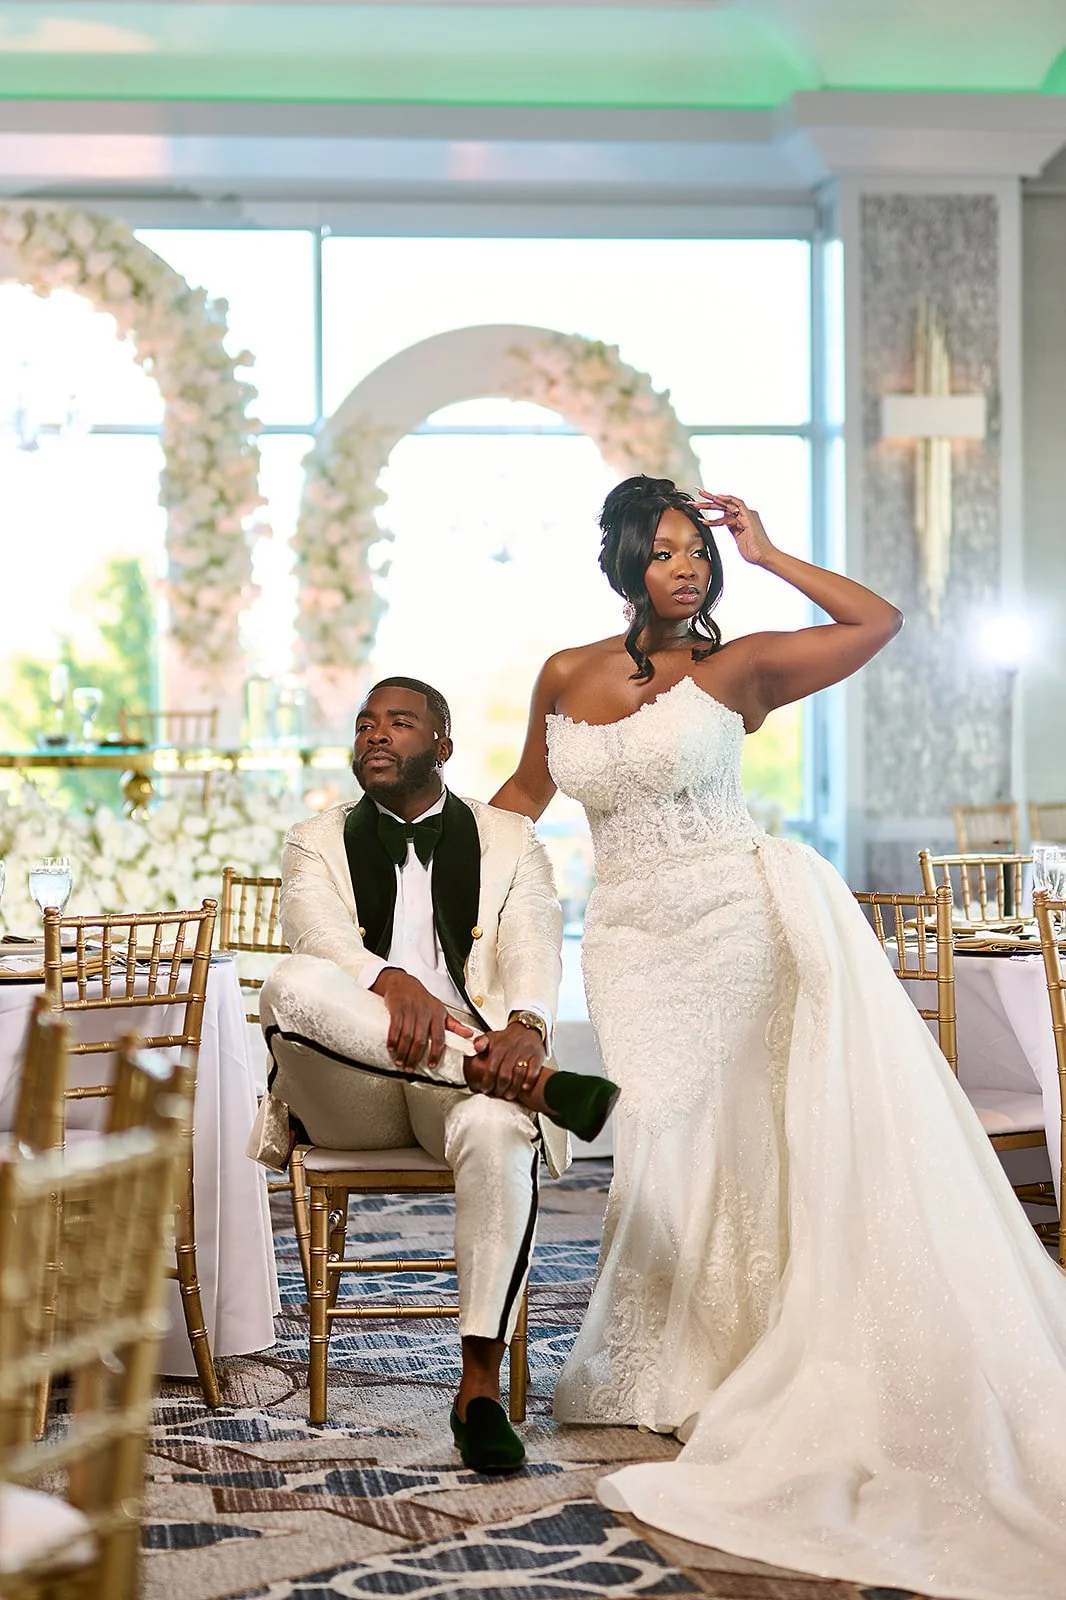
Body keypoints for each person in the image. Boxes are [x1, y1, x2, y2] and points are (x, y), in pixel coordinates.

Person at [490, 477, 1066, 1598]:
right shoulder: (566, 673)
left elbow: (876, 621)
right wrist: (440, 858)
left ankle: (741, 1357)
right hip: (629, 936)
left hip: (733, 919)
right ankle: (674, 1352)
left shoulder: (740, 666)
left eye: (698, 551)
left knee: (721, 1131)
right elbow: (524, 789)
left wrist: (768, 553)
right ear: (624, 562)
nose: (688, 567)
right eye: (667, 550)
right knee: (657, 1125)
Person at [258, 675, 617, 1474]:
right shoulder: (315, 839)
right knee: (290, 983)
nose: (375, 735)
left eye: (399, 723)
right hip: (351, 1088)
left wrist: (526, 1024)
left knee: (497, 1128)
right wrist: (390, 982)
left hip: (452, 1092)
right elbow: (317, 936)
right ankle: (525, 1084)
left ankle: (477, 1391)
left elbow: (533, 939)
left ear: (443, 747)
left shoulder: (508, 840)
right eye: (365, 724)